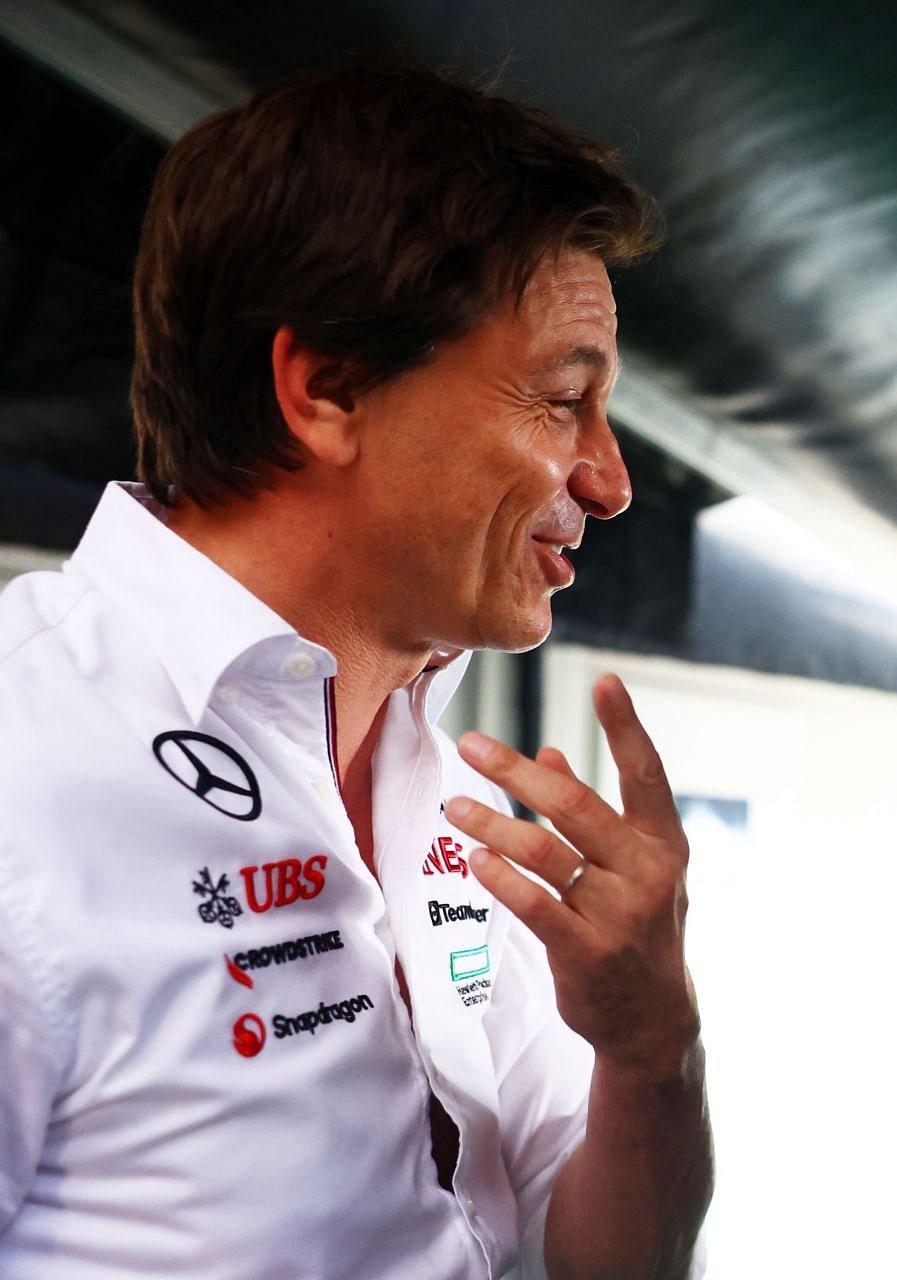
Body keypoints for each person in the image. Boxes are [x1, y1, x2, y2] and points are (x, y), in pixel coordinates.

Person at [0, 62, 710, 1279]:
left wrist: (652, 1052)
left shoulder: (444, 776)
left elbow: (581, 1258)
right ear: (325, 386)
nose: (608, 479)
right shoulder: (26, 756)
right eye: (560, 399)